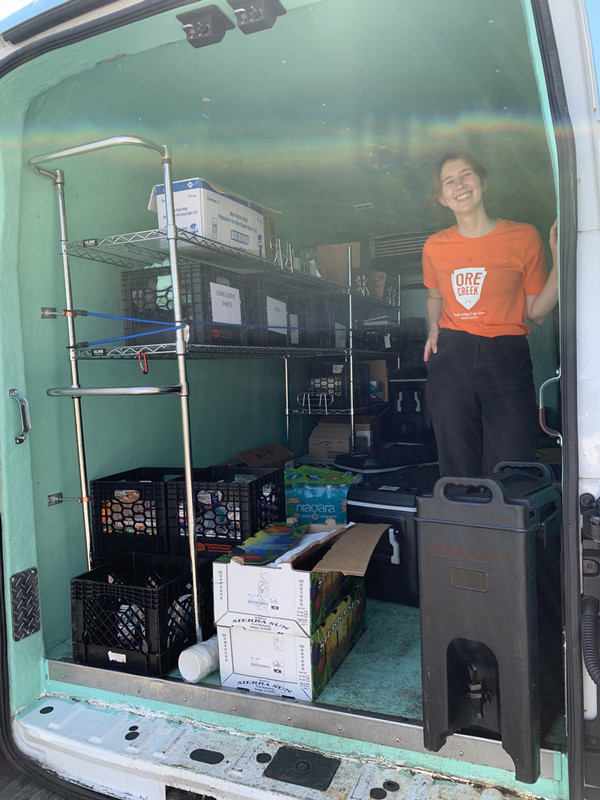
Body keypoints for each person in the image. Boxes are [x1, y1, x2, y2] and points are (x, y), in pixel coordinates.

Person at [422, 150, 558, 477]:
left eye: (466, 175)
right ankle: (463, 523)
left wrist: (560, 259)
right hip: (452, 353)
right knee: (455, 455)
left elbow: (536, 313)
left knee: (512, 456)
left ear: (483, 181)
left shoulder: (523, 236)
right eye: (449, 181)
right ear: (442, 197)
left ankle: (506, 527)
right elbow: (434, 296)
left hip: (505, 353)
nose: (460, 185)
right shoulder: (434, 246)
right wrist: (432, 328)